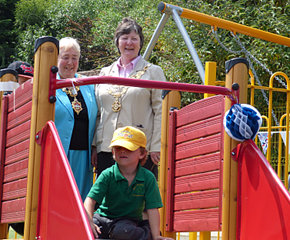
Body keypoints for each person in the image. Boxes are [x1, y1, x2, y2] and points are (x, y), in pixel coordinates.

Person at [92, 17, 166, 180]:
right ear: (117, 42)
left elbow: (161, 111)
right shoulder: (104, 73)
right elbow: (98, 112)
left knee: (138, 201)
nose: (129, 43)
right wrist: (95, 145)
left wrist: (156, 146)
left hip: (139, 150)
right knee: (107, 201)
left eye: (134, 38)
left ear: (141, 43)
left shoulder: (153, 72)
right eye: (124, 38)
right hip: (107, 149)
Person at [84, 126, 173, 240]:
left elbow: (152, 208)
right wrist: (89, 221)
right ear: (112, 152)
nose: (122, 151)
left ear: (142, 153)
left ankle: (148, 234)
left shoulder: (147, 177)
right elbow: (90, 200)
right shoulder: (108, 174)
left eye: (128, 148)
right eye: (118, 147)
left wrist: (156, 236)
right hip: (103, 217)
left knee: (123, 231)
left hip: (126, 220)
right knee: (88, 231)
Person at [55, 37, 98, 201]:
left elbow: (97, 117)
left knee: (81, 200)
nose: (70, 62)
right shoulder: (48, 83)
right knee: (60, 199)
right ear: (56, 59)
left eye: (75, 58)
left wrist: (95, 145)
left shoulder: (88, 85)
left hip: (84, 155)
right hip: (58, 154)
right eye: (65, 57)